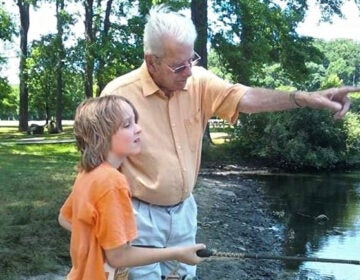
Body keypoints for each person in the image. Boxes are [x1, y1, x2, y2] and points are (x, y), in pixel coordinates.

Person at [100, 5, 360, 279]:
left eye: (192, 60)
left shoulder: (198, 81)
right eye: (178, 66)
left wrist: (304, 98)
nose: (188, 71)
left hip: (184, 212)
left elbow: (245, 98)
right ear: (151, 61)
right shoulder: (116, 97)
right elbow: (97, 171)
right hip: (136, 215)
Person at [58, 95, 206, 280]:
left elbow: (65, 218)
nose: (138, 129)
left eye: (135, 122)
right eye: (127, 125)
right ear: (101, 136)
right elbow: (119, 256)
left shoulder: (88, 174)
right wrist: (176, 253)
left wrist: (101, 239)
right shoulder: (112, 182)